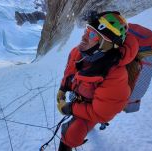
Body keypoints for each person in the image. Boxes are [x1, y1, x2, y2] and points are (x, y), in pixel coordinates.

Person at [56, 11, 139, 150]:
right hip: (82, 98)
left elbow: (101, 113)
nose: (84, 36)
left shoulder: (116, 77)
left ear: (107, 45)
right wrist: (63, 88)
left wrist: (69, 108)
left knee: (72, 133)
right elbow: (70, 70)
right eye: (87, 30)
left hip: (94, 108)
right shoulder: (80, 52)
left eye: (93, 34)